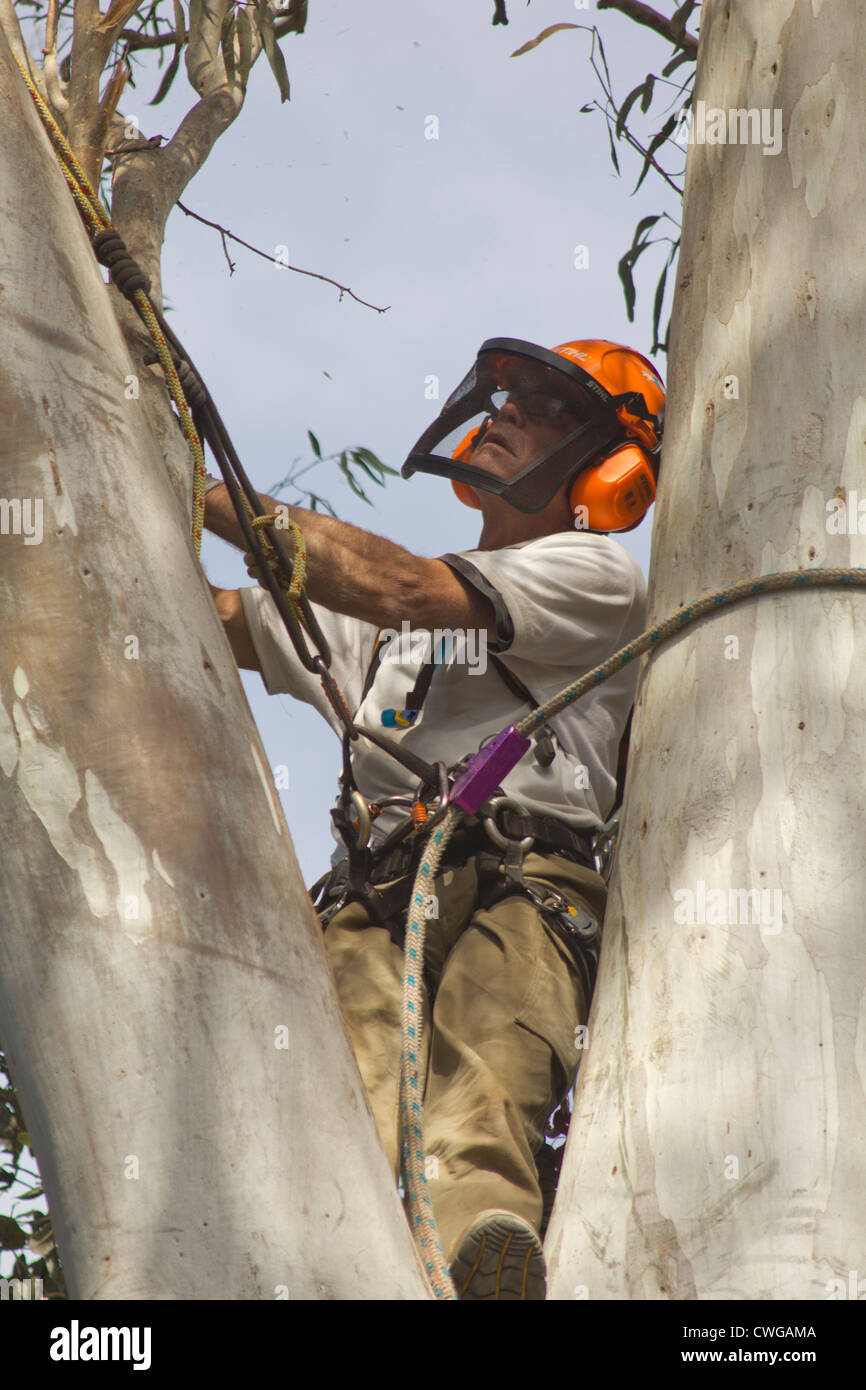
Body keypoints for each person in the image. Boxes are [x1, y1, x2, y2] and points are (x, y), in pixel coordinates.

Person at [206, 336, 664, 1299]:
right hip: (376, 891)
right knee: (338, 1110)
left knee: (483, 1091)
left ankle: (477, 1262)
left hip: (525, 888)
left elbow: (403, 586)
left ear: (609, 469)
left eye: (538, 408)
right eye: (503, 399)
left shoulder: (596, 574)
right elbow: (208, 620)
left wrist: (197, 493)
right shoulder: (381, 625)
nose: (501, 416)